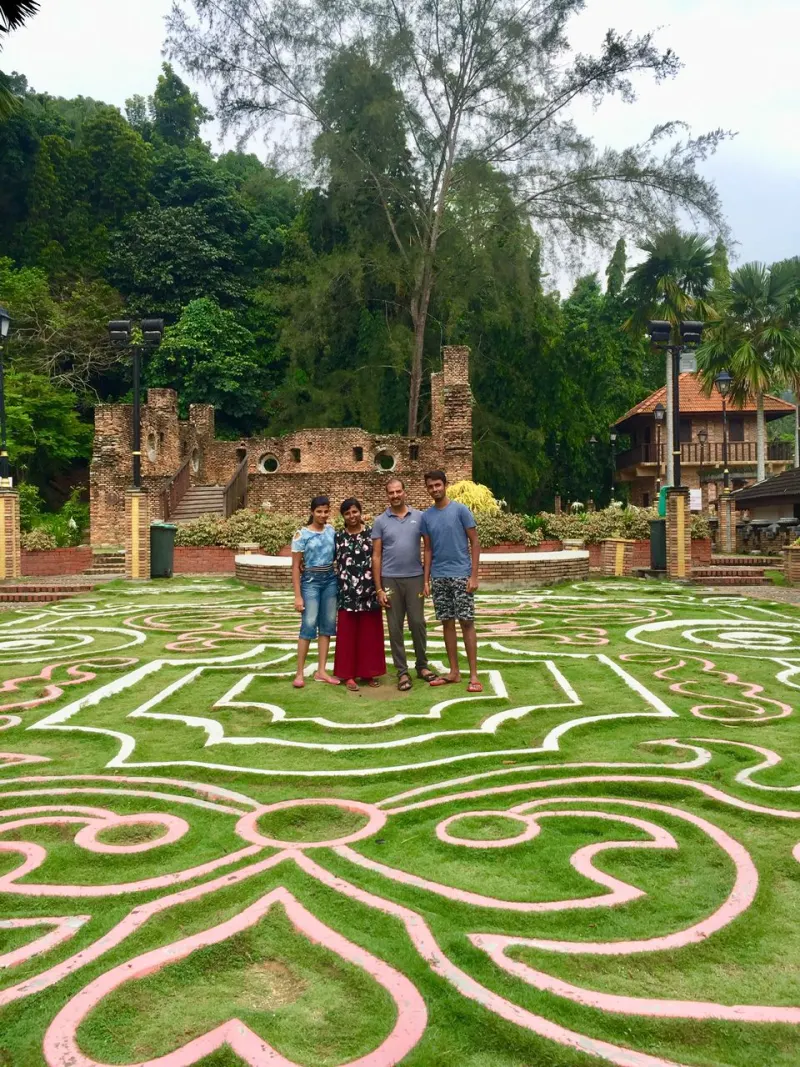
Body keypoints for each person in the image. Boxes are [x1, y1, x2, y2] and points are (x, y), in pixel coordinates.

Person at [372, 477, 438, 691]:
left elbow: (428, 549)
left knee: (418, 622)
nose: (395, 495)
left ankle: (422, 665)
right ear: (387, 495)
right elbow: (376, 556)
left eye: (398, 491)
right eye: (391, 492)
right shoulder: (380, 521)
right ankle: (402, 671)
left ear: (404, 492)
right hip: (390, 579)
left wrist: (426, 579)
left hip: (415, 578)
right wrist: (379, 588)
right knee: (395, 627)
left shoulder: (419, 517)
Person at [421, 470, 482, 692]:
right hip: (439, 576)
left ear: (445, 485)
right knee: (447, 623)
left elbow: (475, 542)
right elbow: (427, 548)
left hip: (461, 574)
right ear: (427, 488)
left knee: (466, 622)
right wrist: (426, 579)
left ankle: (473, 674)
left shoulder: (460, 510)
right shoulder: (426, 517)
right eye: (431, 486)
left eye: (438, 485)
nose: (435, 489)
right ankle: (454, 671)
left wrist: (473, 575)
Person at [333, 498, 386, 691]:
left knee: (369, 634)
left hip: (370, 591)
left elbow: (380, 558)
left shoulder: (372, 534)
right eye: (347, 513)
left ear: (360, 512)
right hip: (347, 593)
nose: (352, 516)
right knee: (348, 635)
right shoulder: (338, 537)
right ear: (343, 517)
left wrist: (380, 587)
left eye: (354, 512)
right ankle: (348, 675)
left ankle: (368, 673)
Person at [291, 495, 340, 688]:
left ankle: (321, 670)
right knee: (308, 624)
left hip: (330, 580)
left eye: (326, 511)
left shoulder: (331, 531)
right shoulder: (301, 535)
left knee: (327, 625)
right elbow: (295, 567)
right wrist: (297, 595)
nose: (322, 515)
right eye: (319, 511)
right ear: (312, 512)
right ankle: (300, 672)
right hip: (310, 581)